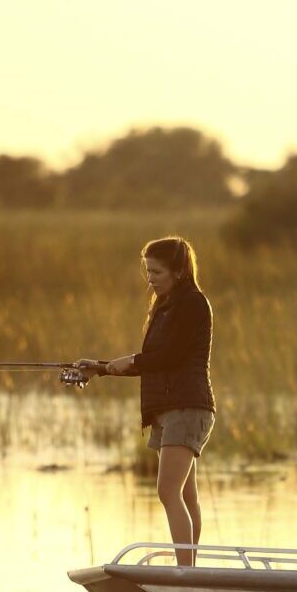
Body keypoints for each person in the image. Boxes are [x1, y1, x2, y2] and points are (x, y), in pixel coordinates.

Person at [77, 237, 217, 566]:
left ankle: (185, 575)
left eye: (157, 272)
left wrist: (132, 360)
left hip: (188, 407)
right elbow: (153, 362)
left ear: (180, 271)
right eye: (147, 271)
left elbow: (170, 356)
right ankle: (190, 570)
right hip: (171, 410)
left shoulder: (193, 304)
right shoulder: (166, 306)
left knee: (168, 491)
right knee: (184, 495)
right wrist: (100, 369)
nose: (150, 278)